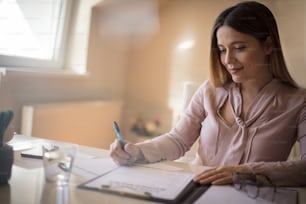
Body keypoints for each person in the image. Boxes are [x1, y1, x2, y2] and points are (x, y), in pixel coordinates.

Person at [110, 1, 306, 187]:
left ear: (268, 45)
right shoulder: (209, 91)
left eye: (239, 48)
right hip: (193, 190)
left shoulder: (299, 102)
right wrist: (137, 151)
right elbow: (178, 140)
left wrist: (245, 172)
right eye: (222, 50)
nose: (228, 59)